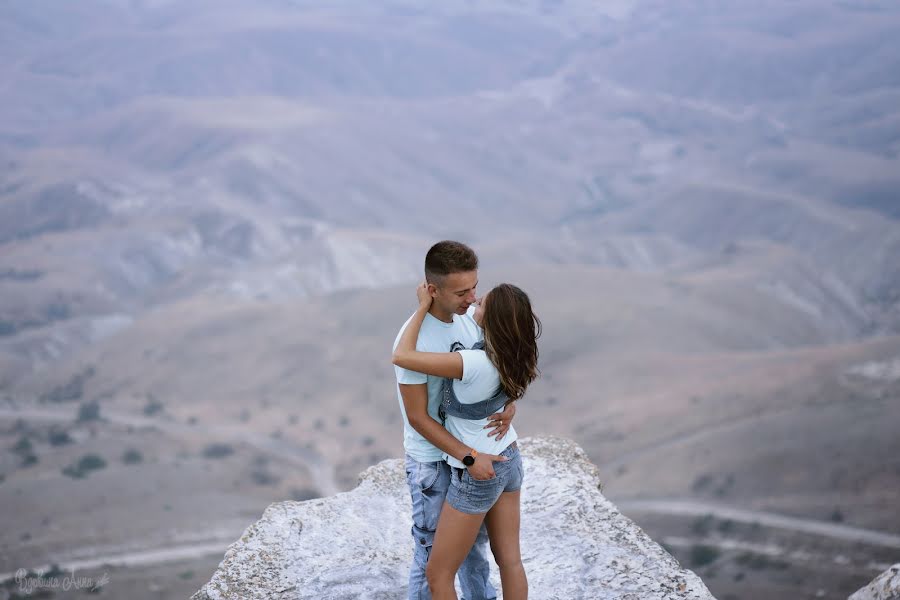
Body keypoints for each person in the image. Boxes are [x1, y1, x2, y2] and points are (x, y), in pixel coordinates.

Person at [393, 279, 541, 600]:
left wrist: (421, 307)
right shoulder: (513, 353)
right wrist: (508, 407)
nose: (474, 305)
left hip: (480, 468)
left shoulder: (472, 363)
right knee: (510, 561)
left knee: (438, 574)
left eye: (482, 304)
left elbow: (403, 356)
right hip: (509, 456)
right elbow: (506, 392)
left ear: (493, 319)